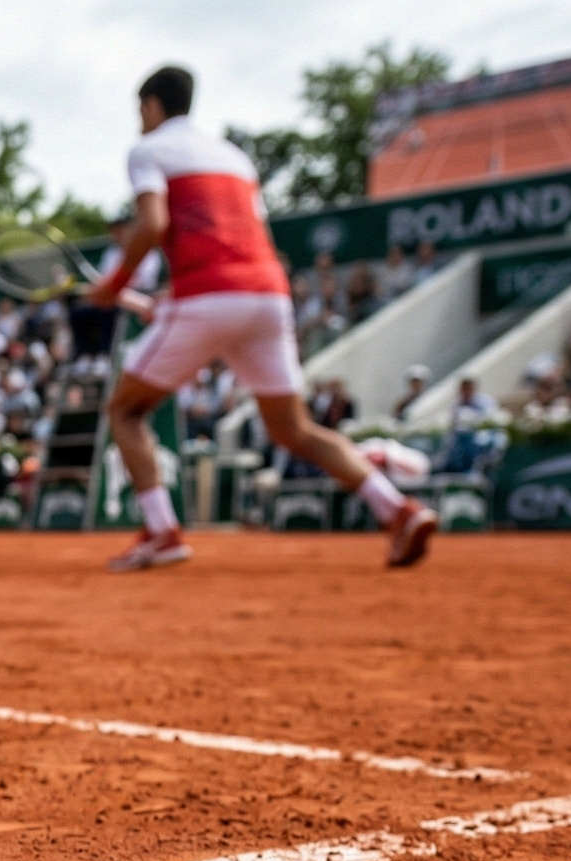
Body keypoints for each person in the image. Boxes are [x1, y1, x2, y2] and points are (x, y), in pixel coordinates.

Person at [86, 65, 436, 571]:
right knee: (295, 429)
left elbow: (153, 223)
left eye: (140, 109)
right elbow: (236, 235)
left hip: (209, 296)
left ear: (152, 105)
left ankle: (161, 530)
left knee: (125, 411)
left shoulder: (148, 150)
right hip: (268, 295)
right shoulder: (234, 158)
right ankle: (397, 509)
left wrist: (114, 286)